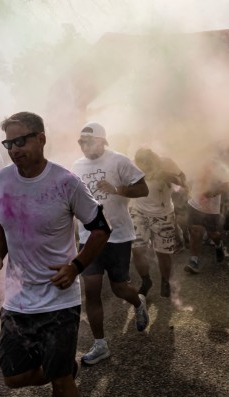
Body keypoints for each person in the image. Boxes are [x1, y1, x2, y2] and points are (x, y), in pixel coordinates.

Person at [0, 112, 111, 397]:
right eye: (8, 143)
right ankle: (65, 367)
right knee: (13, 377)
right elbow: (3, 218)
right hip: (17, 299)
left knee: (60, 381)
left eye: (20, 141)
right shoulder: (2, 178)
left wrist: (76, 266)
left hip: (59, 299)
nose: (14, 149)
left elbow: (100, 228)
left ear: (41, 138)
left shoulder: (66, 182)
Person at [71, 122, 150, 366]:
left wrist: (116, 189)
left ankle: (138, 301)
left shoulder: (119, 160)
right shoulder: (76, 166)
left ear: (102, 141)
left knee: (119, 288)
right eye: (80, 141)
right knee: (91, 292)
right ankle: (100, 344)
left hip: (118, 236)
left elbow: (143, 189)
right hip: (89, 238)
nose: (84, 146)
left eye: (88, 141)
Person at [130, 147, 186, 297]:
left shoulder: (167, 163)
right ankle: (146, 280)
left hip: (163, 214)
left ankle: (165, 280)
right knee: (137, 249)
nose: (143, 167)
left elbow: (183, 181)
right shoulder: (132, 166)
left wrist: (173, 179)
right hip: (139, 212)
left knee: (162, 253)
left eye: (147, 164)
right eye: (140, 163)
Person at [183, 157, 229, 274]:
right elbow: (186, 181)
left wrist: (210, 194)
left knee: (212, 234)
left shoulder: (220, 167)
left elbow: (226, 185)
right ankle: (194, 261)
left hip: (211, 209)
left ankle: (219, 244)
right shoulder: (195, 163)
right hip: (194, 204)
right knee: (195, 231)